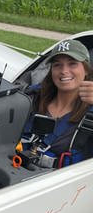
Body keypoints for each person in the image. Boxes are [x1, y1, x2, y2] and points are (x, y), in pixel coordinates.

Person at [21, 39, 93, 168]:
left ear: (86, 70)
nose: (64, 71)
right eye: (57, 65)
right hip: (13, 171)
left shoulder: (90, 112)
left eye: (72, 64)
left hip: (60, 184)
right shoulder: (32, 98)